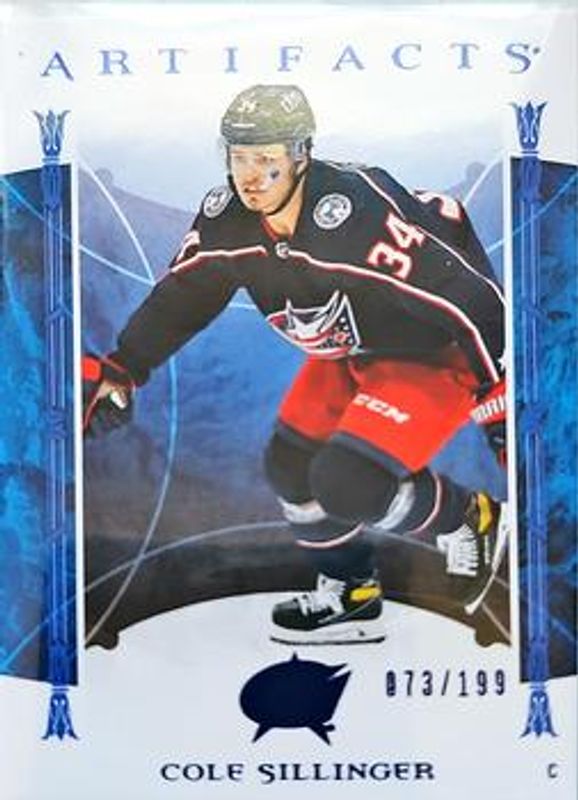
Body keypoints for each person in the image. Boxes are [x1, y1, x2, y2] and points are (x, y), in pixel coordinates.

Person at [83, 84, 508, 645]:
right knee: (290, 465)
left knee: (346, 483)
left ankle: (469, 517)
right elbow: (185, 294)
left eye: (267, 159)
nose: (251, 176)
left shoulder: (352, 214)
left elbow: (470, 300)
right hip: (356, 347)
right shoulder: (228, 217)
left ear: (301, 154)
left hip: (431, 349)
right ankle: (351, 589)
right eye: (239, 158)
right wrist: (123, 367)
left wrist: (500, 396)